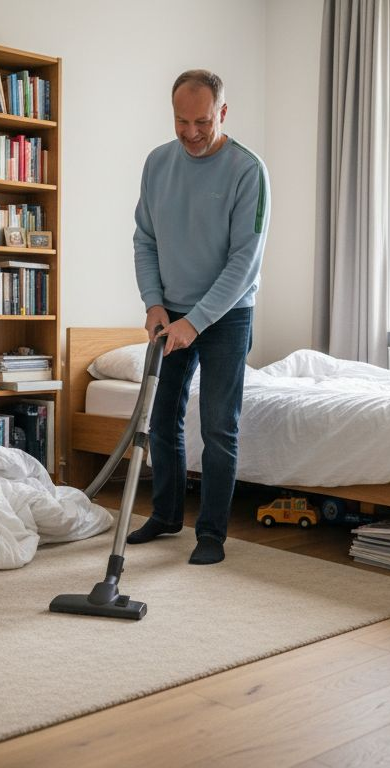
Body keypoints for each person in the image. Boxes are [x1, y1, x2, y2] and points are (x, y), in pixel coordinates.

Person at [127, 69, 271, 565]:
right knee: (161, 419)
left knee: (217, 426)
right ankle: (166, 516)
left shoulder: (248, 170)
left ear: (223, 113)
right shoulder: (157, 164)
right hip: (171, 311)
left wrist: (198, 321)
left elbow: (243, 261)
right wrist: (154, 303)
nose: (191, 132)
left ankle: (211, 534)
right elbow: (145, 238)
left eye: (203, 122)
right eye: (181, 121)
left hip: (227, 315)